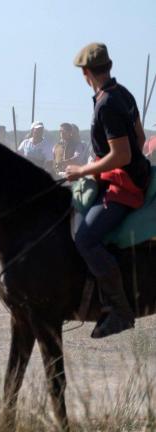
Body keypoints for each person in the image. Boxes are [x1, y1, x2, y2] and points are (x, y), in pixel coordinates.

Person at [66, 43, 151, 338]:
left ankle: (120, 310)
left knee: (85, 238)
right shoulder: (122, 93)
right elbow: (140, 138)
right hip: (123, 177)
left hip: (124, 186)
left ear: (86, 73)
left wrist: (83, 171)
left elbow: (124, 154)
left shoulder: (106, 104)